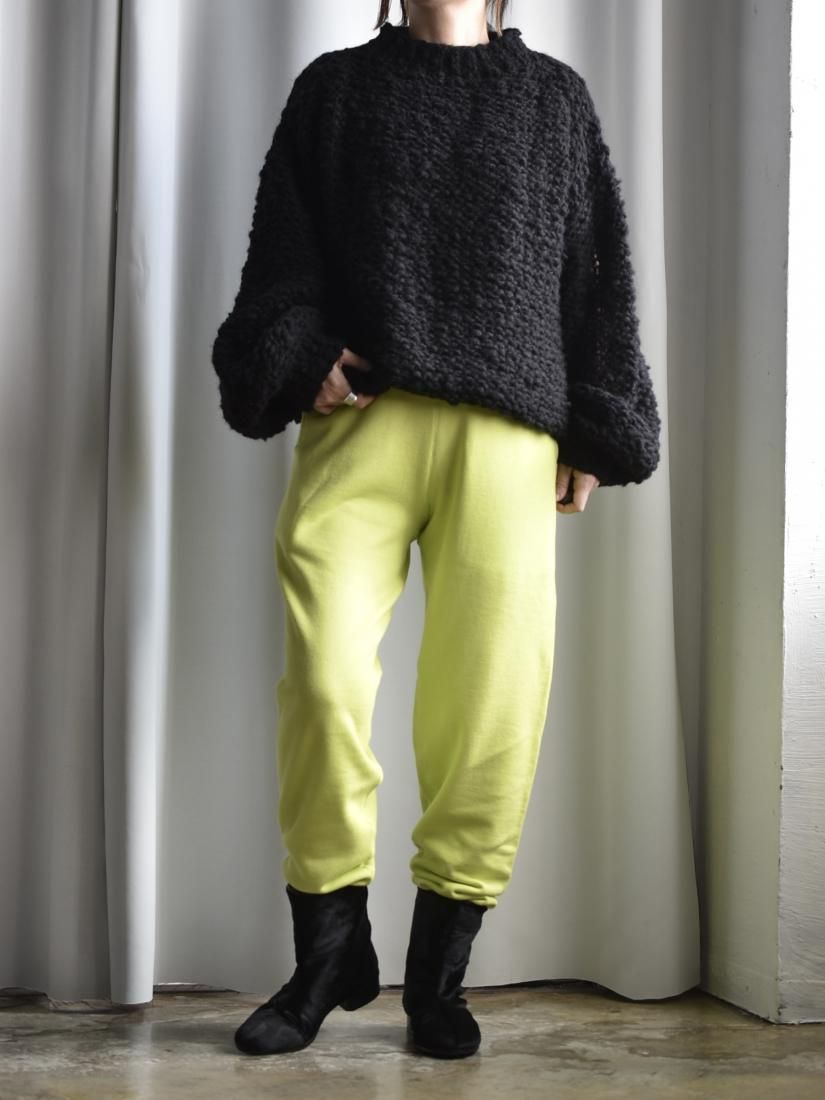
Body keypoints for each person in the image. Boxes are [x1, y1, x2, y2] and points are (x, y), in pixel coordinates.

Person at [211, 0, 661, 1062]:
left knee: (491, 703)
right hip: (361, 426)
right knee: (322, 681)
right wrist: (300, 352)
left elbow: (594, 276)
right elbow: (281, 260)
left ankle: (439, 976)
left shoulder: (551, 100)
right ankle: (330, 951)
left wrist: (598, 426)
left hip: (507, 438)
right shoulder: (335, 90)